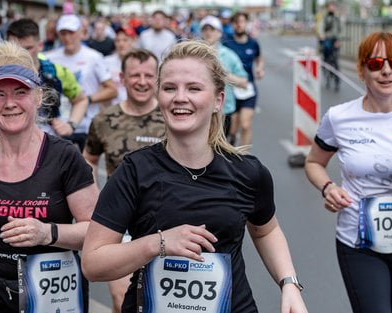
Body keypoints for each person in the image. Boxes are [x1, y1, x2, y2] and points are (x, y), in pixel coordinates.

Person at [82, 41, 308, 313]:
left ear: (218, 100)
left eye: (193, 88)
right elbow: (92, 263)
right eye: (169, 88)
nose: (179, 97)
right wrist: (159, 243)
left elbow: (266, 230)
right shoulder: (135, 171)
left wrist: (289, 284)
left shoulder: (247, 172)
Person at [0, 41, 98, 312]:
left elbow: (97, 230)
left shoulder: (65, 157)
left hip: (53, 291)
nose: (10, 103)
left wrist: (46, 232)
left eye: (20, 92)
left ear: (38, 97)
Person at [304, 31, 392, 313]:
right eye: (376, 64)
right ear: (362, 70)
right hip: (360, 243)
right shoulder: (339, 117)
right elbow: (314, 162)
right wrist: (328, 188)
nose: (386, 70)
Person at [84, 48, 165, 313]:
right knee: (122, 301)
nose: (142, 81)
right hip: (122, 225)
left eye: (148, 75)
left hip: (169, 222)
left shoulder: (173, 115)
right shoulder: (104, 120)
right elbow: (89, 160)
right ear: (122, 78)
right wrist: (94, 201)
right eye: (135, 75)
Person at [0, 18, 88, 142]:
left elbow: (81, 100)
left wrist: (71, 125)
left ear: (40, 45)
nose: (22, 55)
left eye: (27, 48)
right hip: (9, 147)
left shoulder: (56, 72)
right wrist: (7, 114)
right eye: (16, 48)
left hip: (51, 147)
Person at [46, 14, 117, 151]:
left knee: (88, 168)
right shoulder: (50, 58)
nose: (67, 38)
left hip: (87, 125)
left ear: (81, 33)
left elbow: (112, 90)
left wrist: (86, 100)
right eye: (63, 33)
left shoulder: (94, 57)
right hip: (59, 127)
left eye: (71, 33)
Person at [199, 15, 249, 138]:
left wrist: (223, 74)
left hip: (223, 110)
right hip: (199, 109)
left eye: (212, 29)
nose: (208, 32)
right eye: (205, 29)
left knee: (219, 149)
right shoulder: (194, 55)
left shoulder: (229, 55)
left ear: (220, 33)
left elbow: (244, 82)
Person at [224, 12, 264, 146]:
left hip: (248, 88)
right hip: (230, 89)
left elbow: (259, 59)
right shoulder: (227, 42)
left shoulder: (253, 43)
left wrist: (260, 68)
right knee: (233, 127)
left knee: (246, 125)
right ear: (232, 24)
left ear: (247, 23)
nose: (239, 25)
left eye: (242, 21)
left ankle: (245, 158)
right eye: (236, 22)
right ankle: (233, 139)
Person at [104, 26, 137, 106]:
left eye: (125, 40)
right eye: (117, 41)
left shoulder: (140, 63)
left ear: (133, 41)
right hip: (113, 111)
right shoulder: (106, 62)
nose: (121, 44)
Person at [317, 1, 341, 91]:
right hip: (327, 41)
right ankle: (326, 76)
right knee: (325, 60)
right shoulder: (325, 18)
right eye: (330, 6)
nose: (332, 8)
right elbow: (321, 27)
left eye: (333, 6)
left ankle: (337, 80)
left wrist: (339, 40)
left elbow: (341, 30)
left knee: (335, 61)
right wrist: (322, 35)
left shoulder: (337, 18)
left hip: (335, 41)